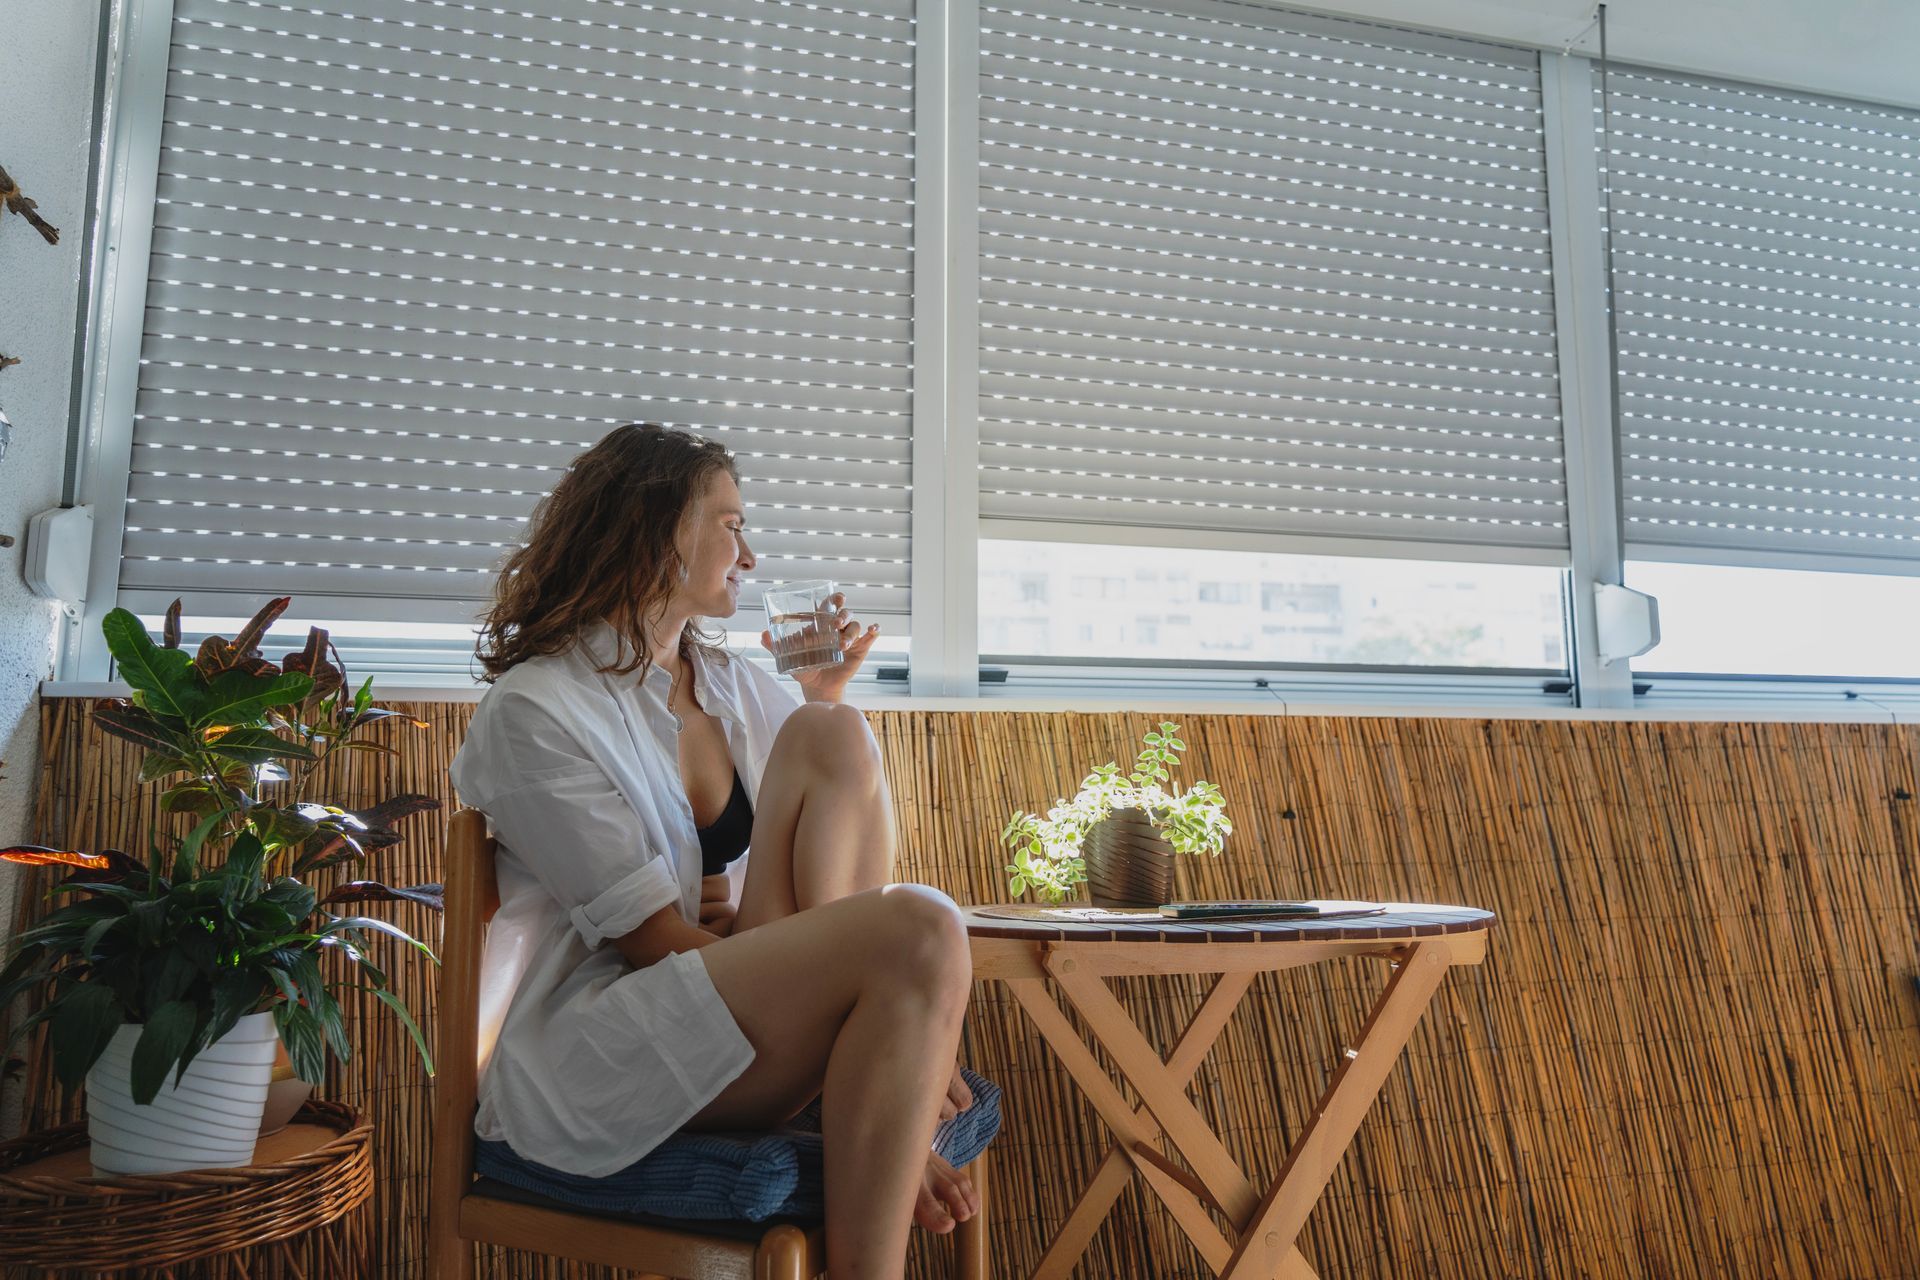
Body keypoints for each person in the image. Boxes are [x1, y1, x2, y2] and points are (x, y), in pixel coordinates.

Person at [450, 423, 978, 1278]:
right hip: (614, 1041)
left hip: (731, 1002)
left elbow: (833, 883)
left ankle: (876, 1100)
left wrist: (820, 697)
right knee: (920, 928)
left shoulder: (733, 687)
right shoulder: (537, 710)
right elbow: (652, 944)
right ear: (659, 530)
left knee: (833, 734)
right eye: (731, 526)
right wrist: (884, 1061)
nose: (752, 555)